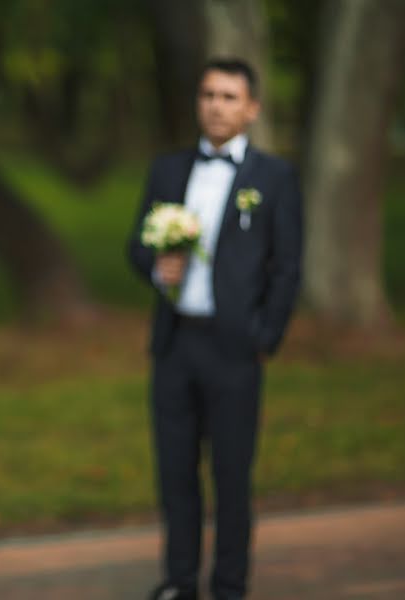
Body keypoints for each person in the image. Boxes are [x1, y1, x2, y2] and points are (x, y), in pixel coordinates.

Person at [127, 59, 302, 600]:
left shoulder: (274, 179)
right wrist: (158, 267)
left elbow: (287, 266)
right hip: (176, 343)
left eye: (229, 96)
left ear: (251, 109)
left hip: (235, 349)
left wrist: (263, 337)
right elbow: (136, 246)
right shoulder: (168, 170)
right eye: (208, 94)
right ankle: (180, 581)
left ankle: (228, 585)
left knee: (231, 476)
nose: (216, 105)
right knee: (176, 473)